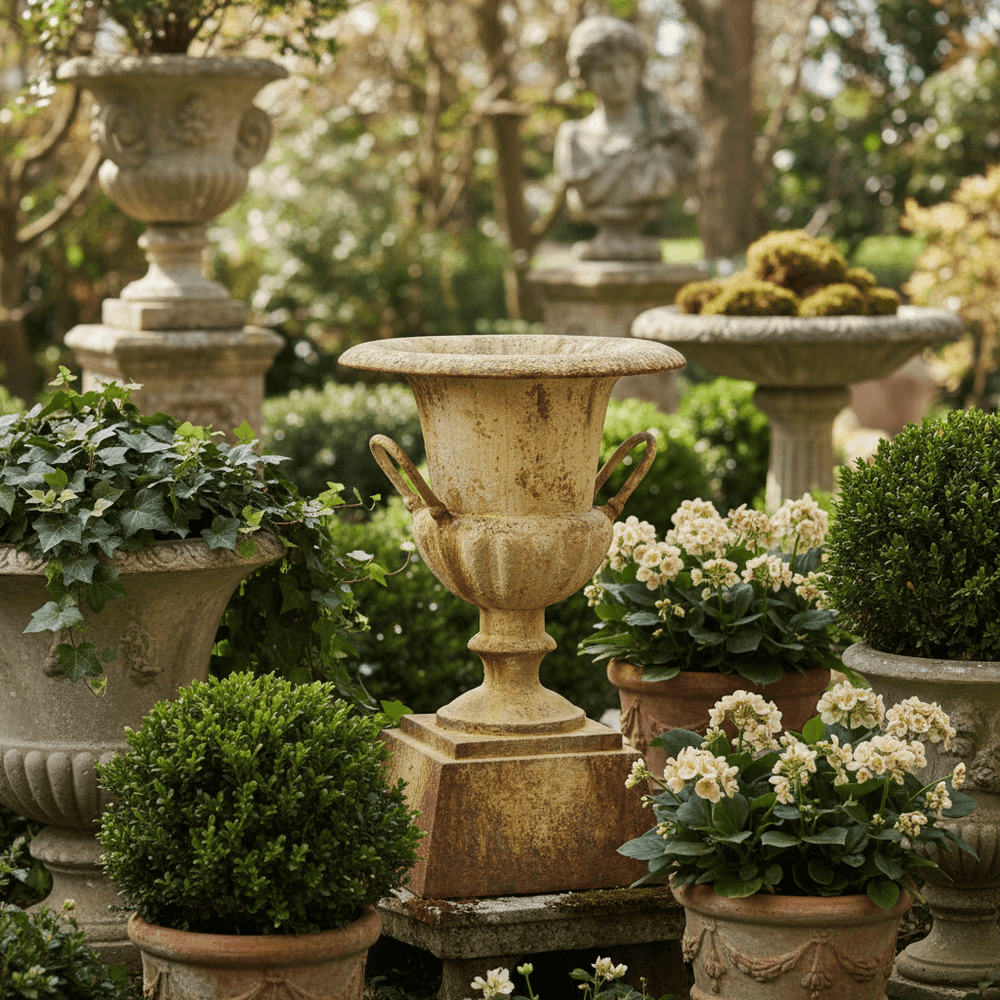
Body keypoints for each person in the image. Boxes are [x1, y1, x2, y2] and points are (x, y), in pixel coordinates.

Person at [555, 16, 699, 261]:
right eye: (605, 69)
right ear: (584, 77)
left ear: (639, 68)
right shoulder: (574, 140)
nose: (618, 78)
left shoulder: (669, 135)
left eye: (626, 65)